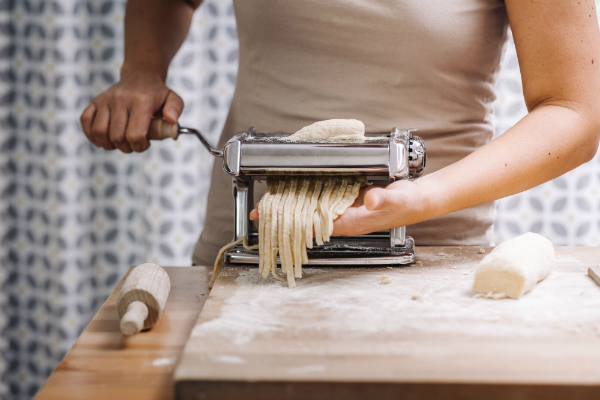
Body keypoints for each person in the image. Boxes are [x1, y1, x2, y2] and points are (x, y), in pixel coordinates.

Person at [81, 0, 600, 266]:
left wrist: (420, 197)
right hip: (251, 242)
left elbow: (575, 110)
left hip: (433, 251)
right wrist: (142, 69)